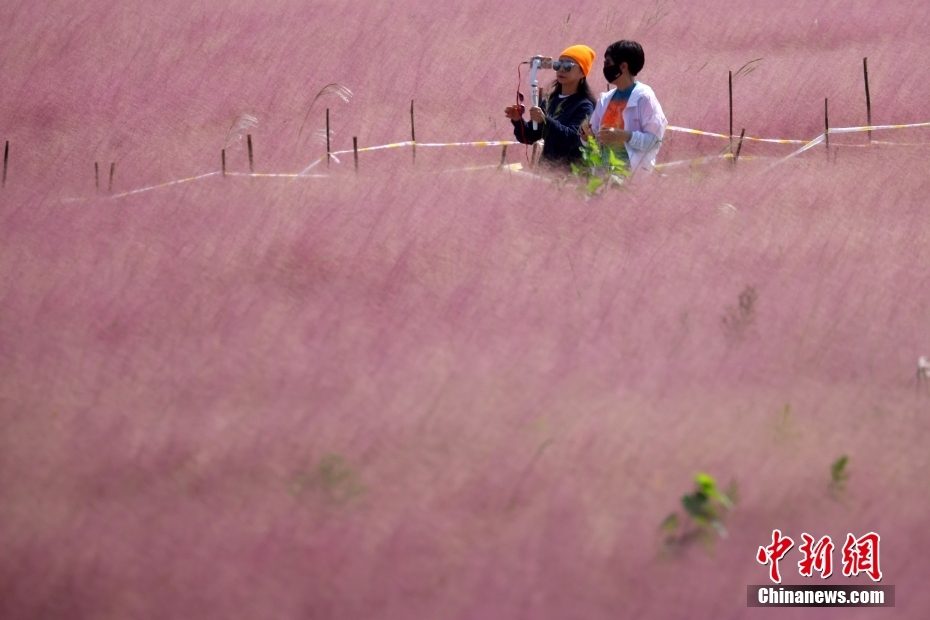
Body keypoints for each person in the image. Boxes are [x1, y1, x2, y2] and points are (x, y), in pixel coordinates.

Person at [582, 40, 667, 175]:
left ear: (623, 66)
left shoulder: (645, 98)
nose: (604, 67)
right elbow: (594, 138)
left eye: (608, 63)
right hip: (603, 176)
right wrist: (587, 137)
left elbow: (654, 141)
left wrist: (625, 136)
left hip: (631, 178)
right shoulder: (605, 100)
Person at [505, 45, 597, 168]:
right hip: (545, 172)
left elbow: (573, 139)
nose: (562, 69)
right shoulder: (549, 101)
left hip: (569, 176)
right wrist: (518, 120)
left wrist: (545, 120)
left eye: (568, 66)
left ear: (582, 72)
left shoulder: (584, 106)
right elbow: (530, 137)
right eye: (558, 65)